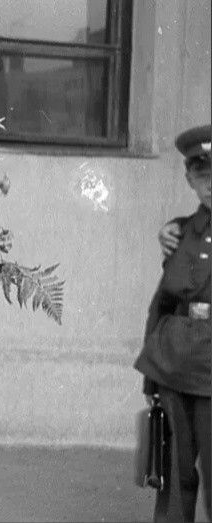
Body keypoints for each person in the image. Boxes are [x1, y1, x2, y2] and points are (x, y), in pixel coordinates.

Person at [135, 123, 211, 522]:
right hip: (176, 366)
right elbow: (162, 303)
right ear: (190, 179)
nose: (211, 184)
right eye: (203, 174)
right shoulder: (181, 232)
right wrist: (152, 375)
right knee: (175, 474)